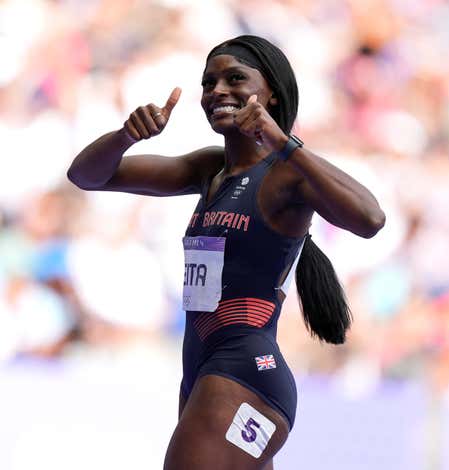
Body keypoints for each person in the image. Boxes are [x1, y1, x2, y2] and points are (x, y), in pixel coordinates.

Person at [67, 34, 386, 470]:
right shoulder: (207, 169)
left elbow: (370, 218)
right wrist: (126, 134)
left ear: (271, 93)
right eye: (208, 82)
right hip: (204, 374)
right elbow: (86, 175)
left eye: (235, 78)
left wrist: (284, 142)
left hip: (245, 375)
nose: (217, 90)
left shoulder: (286, 175)